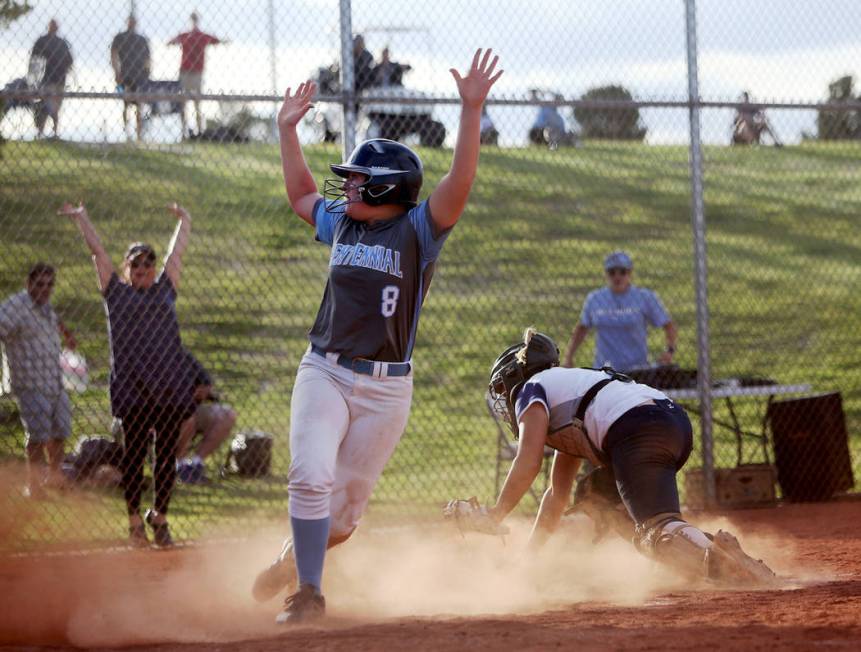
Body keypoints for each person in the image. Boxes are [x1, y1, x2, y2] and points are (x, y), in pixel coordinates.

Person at [251, 48, 503, 624]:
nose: (349, 188)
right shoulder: (340, 223)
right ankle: (310, 593)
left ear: (389, 187)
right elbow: (299, 195)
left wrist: (471, 112)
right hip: (326, 370)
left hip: (387, 390)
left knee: (343, 517)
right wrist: (287, 130)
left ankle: (295, 561)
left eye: (359, 179)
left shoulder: (418, 231)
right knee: (311, 473)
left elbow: (460, 181)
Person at [469, 328, 776, 584]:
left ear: (516, 377)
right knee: (596, 494)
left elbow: (528, 462)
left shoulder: (531, 390)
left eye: (502, 386)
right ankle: (696, 557)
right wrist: (528, 559)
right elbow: (556, 495)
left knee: (654, 529)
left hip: (636, 429)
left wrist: (494, 514)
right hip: (669, 423)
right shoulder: (568, 389)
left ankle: (726, 565)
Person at [59, 201, 195, 548]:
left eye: (148, 264)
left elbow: (175, 256)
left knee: (166, 457)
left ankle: (159, 517)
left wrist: (185, 222)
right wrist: (82, 218)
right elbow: (97, 253)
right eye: (136, 264)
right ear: (127, 268)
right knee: (134, 456)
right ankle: (135, 521)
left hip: (167, 387)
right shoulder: (115, 294)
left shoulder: (165, 289)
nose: (144, 269)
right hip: (134, 389)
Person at [0, 263, 76, 498]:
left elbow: (55, 319)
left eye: (49, 284)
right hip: (29, 381)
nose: (45, 288)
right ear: (28, 283)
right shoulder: (16, 306)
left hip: (53, 380)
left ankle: (54, 476)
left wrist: (67, 333)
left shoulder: (45, 307)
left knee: (61, 428)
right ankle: (33, 485)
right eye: (39, 283)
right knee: (38, 434)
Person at [563, 251, 677, 373]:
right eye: (612, 272)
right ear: (606, 274)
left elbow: (668, 325)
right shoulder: (595, 298)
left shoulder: (644, 297)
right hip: (604, 369)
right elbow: (582, 328)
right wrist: (569, 357)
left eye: (622, 272)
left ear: (630, 273)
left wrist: (669, 351)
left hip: (637, 369)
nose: (617, 277)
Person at [175, 349, 237, 484]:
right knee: (187, 417)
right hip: (159, 412)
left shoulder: (181, 354)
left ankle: (193, 464)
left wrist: (196, 393)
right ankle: (176, 466)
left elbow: (206, 385)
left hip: (190, 406)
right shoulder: (149, 356)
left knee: (227, 415)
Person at [167, 12, 228, 138]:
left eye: (195, 19)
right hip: (185, 71)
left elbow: (217, 40)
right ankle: (184, 131)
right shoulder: (185, 35)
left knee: (197, 102)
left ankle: (200, 131)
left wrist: (224, 41)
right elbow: (171, 41)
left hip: (197, 72)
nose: (194, 22)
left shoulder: (202, 36)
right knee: (183, 102)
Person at [29, 19, 74, 139]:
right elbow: (34, 60)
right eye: (52, 25)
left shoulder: (62, 43)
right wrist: (33, 79)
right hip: (46, 79)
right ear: (48, 26)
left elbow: (70, 61)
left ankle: (54, 132)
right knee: (44, 105)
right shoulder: (42, 41)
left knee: (55, 107)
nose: (54, 27)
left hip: (59, 79)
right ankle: (40, 131)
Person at [110, 15, 151, 141]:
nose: (131, 24)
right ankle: (127, 132)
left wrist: (147, 74)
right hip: (124, 76)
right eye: (130, 21)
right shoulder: (120, 37)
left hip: (139, 77)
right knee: (125, 103)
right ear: (127, 22)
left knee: (139, 105)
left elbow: (147, 59)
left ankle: (139, 135)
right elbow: (114, 54)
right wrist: (117, 73)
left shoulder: (141, 39)